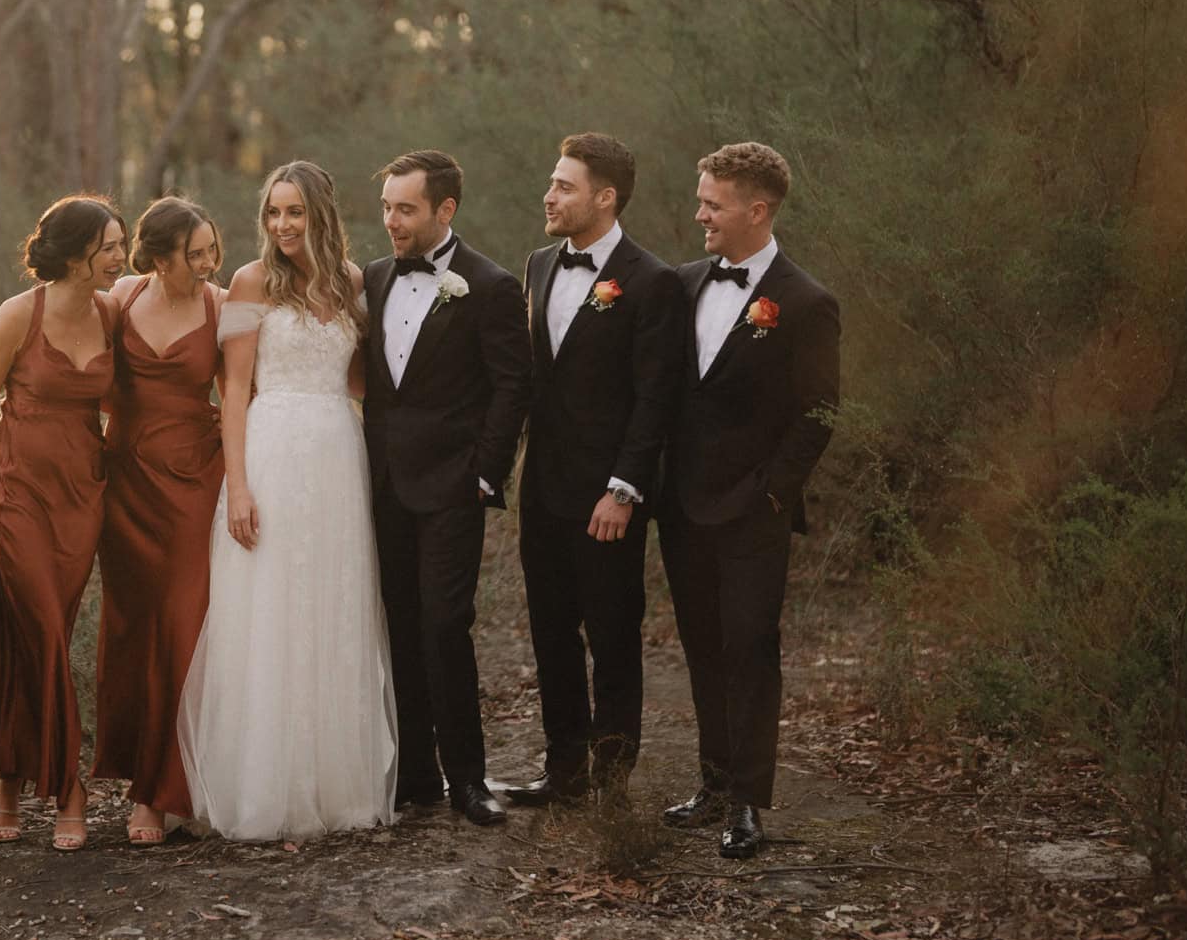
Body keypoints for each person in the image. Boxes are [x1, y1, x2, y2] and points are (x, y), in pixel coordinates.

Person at [176, 161, 396, 840]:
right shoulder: (247, 283)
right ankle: (265, 786)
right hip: (270, 452)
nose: (282, 225)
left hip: (336, 454)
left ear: (321, 214)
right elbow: (232, 389)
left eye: (295, 211)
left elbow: (361, 380)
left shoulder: (353, 284)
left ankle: (337, 786)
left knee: (334, 601)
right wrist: (238, 485)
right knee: (270, 606)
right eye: (273, 212)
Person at [659, 142, 840, 859]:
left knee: (751, 650)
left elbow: (820, 412)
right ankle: (712, 781)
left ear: (756, 210)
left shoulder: (805, 302)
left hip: (752, 513)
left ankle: (747, 803)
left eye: (712, 202)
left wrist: (771, 493)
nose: (699, 211)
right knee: (702, 646)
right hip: (683, 507)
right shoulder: (683, 285)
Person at [0, 195, 127, 852]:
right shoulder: (17, 317)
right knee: (42, 628)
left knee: (27, 636)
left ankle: (10, 783)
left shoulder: (110, 314)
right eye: (110, 247)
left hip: (80, 497)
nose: (120, 258)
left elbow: (124, 396)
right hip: (14, 492)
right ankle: (68, 788)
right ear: (77, 254)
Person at [507, 134, 684, 810]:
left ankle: (612, 779)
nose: (549, 196)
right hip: (544, 489)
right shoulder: (538, 265)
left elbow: (655, 397)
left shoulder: (651, 280)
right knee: (550, 632)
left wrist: (624, 488)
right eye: (552, 183)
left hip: (608, 494)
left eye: (565, 186)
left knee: (610, 634)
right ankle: (564, 770)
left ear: (605, 197)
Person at [360, 149, 532, 827]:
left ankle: (468, 776)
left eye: (405, 208)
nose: (391, 221)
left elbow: (514, 384)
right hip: (382, 482)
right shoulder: (372, 277)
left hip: (453, 485)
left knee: (444, 624)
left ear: (444, 210)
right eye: (386, 207)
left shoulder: (487, 285)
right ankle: (415, 774)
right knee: (398, 624)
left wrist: (485, 473)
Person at [92, 197, 226, 846]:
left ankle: (160, 790)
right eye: (193, 253)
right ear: (160, 256)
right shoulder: (119, 296)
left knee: (184, 620)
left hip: (197, 480)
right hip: (127, 483)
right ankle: (137, 773)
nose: (206, 263)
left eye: (210, 251)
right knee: (132, 627)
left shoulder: (221, 305)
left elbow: (243, 391)